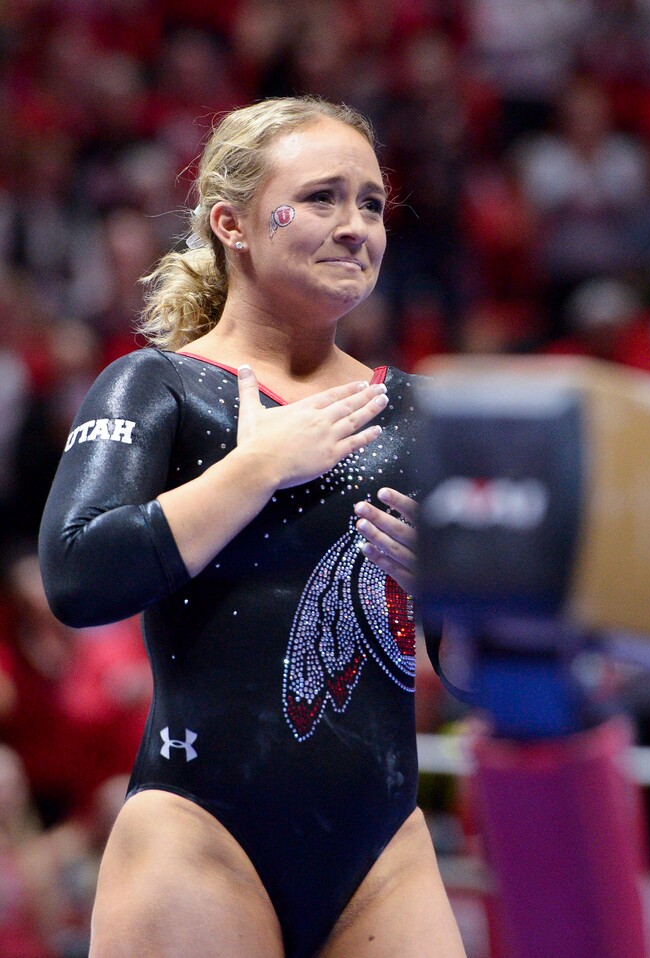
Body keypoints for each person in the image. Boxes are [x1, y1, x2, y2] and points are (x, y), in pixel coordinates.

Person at [38, 96, 466, 958]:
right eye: (321, 198)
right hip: (199, 835)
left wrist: (461, 597)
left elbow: (473, 678)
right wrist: (257, 466)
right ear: (231, 224)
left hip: (381, 847)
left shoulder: (419, 415)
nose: (356, 228)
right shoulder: (156, 387)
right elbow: (78, 576)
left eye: (372, 203)